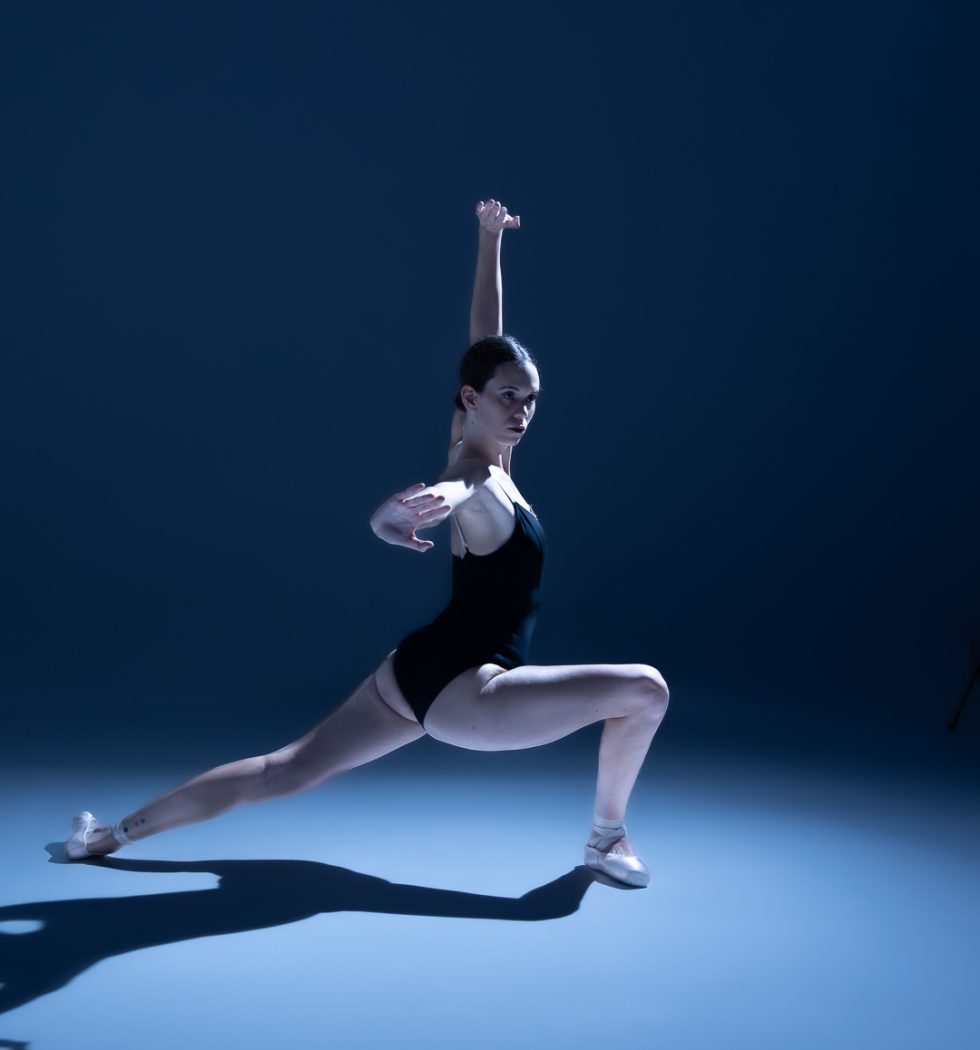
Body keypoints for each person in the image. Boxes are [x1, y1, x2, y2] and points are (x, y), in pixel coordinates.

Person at [63, 199, 669, 888]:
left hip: (413, 668)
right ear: (471, 400)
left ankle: (104, 836)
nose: (522, 413)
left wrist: (489, 240)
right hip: (474, 692)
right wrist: (395, 514)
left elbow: (484, 339)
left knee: (280, 770)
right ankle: (606, 838)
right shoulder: (472, 473)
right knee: (645, 690)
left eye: (530, 400)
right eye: (509, 399)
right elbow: (449, 496)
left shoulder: (491, 453)